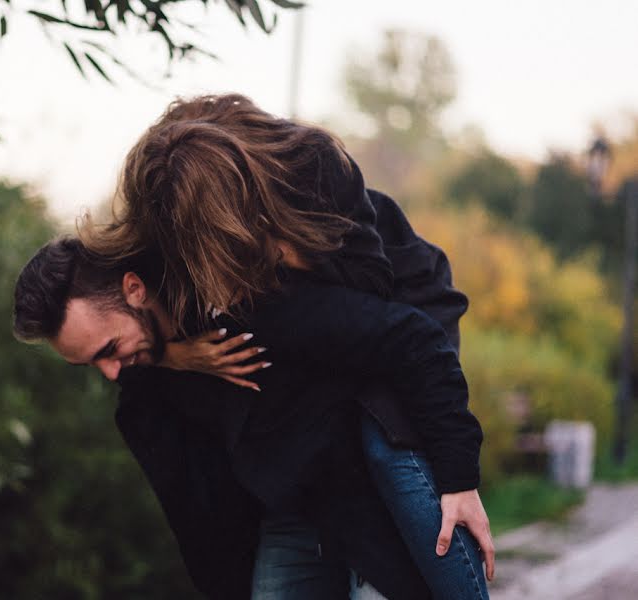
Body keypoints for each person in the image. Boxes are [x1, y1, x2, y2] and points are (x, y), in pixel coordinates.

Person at [76, 94, 493, 598]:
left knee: (391, 451)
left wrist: (459, 479)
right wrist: (171, 355)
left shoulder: (316, 172)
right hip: (347, 353)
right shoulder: (181, 251)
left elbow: (386, 307)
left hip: (409, 303)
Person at [13, 237, 485, 599]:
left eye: (109, 350)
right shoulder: (145, 388)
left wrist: (459, 474)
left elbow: (411, 340)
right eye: (90, 364)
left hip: (366, 500)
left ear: (134, 289)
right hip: (289, 516)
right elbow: (197, 521)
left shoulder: (248, 301)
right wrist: (173, 357)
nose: (111, 373)